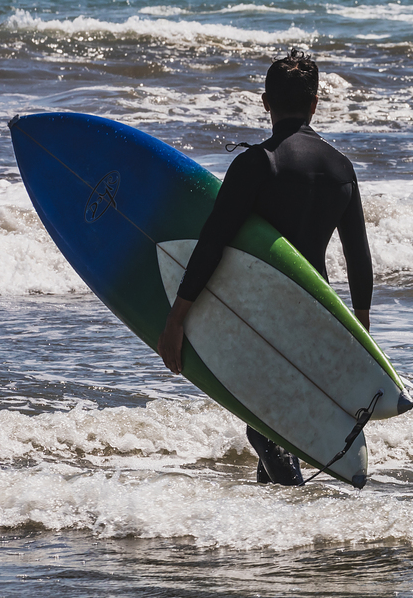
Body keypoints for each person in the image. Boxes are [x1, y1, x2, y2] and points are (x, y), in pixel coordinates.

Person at [157, 50, 375, 485]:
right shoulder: (341, 168)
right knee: (280, 422)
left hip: (257, 318)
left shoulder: (258, 164)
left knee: (265, 428)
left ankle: (296, 514)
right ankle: (276, 544)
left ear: (265, 102)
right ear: (315, 104)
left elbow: (212, 245)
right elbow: (358, 258)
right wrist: (361, 337)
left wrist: (176, 318)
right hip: (317, 317)